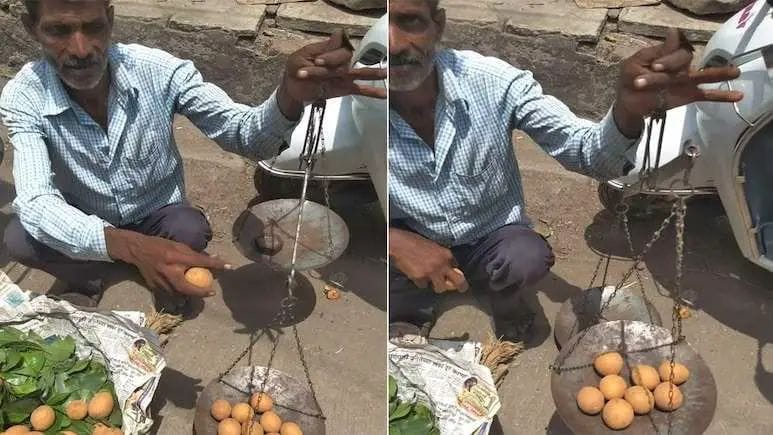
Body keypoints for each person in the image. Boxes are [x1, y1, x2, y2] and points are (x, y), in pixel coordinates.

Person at [387, 0, 743, 341]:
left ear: (439, 24)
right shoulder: (359, 100)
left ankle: (505, 301)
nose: (392, 43)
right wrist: (396, 241)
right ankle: (410, 312)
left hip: (489, 235)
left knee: (526, 258)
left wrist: (627, 113)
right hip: (412, 230)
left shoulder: (493, 83)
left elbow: (587, 154)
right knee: (395, 278)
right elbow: (346, 185)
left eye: (409, 20)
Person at [0, 0, 386, 310]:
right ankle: (90, 278)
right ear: (31, 28)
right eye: (58, 31)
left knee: (190, 230)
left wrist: (288, 97)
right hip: (84, 213)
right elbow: (35, 201)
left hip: (154, 213)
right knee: (20, 237)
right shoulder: (24, 97)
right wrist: (129, 247)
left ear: (111, 20)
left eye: (94, 27)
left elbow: (244, 136)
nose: (81, 50)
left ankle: (136, 263)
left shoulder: (159, 71)